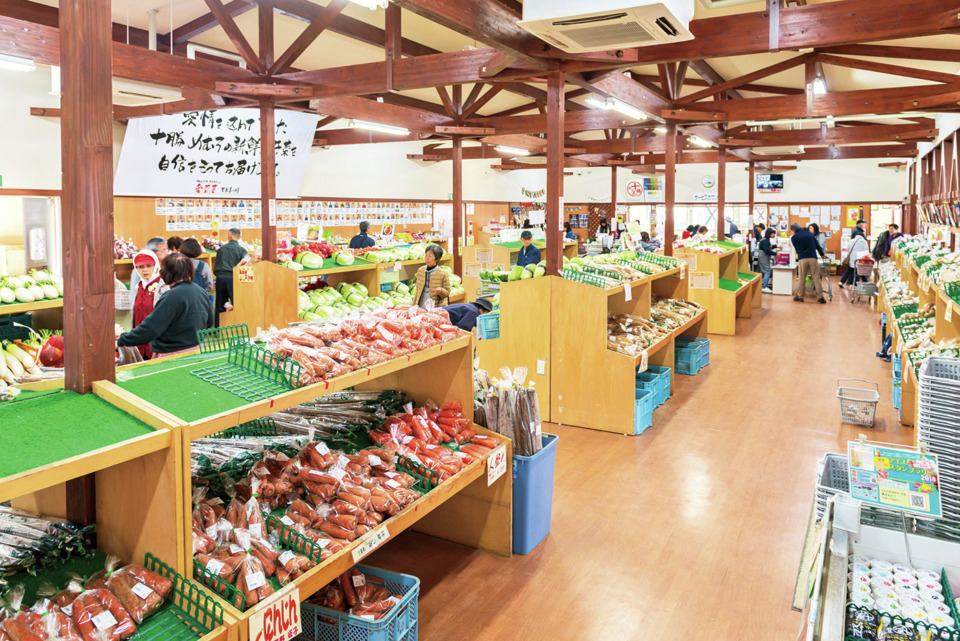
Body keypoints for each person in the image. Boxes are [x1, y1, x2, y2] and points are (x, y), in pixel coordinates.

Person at [117, 253, 215, 359]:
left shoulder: (171, 296)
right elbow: (209, 321)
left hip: (173, 354)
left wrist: (122, 340)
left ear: (166, 273)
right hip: (197, 349)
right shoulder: (200, 290)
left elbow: (151, 329)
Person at [131, 250, 162, 360]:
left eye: (149, 266)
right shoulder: (138, 286)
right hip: (140, 343)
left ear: (156, 266)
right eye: (140, 267)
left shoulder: (162, 286)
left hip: (156, 343)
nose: (145, 270)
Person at [213, 228, 247, 325]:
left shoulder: (221, 249)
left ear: (229, 236)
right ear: (239, 237)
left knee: (220, 304)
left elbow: (217, 265)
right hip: (234, 279)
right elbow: (245, 264)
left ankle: (219, 329)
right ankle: (237, 326)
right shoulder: (242, 250)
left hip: (220, 278)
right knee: (236, 304)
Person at [790, 222, 826, 303]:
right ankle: (820, 297)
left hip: (802, 258)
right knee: (816, 277)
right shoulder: (810, 234)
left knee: (802, 278)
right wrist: (822, 254)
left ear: (794, 230)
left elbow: (797, 249)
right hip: (813, 257)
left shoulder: (794, 237)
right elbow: (817, 245)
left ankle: (800, 296)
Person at [129, 237, 168, 305]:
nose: (167, 253)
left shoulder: (168, 267)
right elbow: (134, 295)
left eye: (167, 249)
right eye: (163, 250)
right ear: (154, 253)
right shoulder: (140, 270)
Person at [413, 244, 450, 309]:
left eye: (430, 256)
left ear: (437, 259)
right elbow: (417, 292)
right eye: (426, 255)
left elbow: (447, 292)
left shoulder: (443, 273)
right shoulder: (420, 271)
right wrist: (413, 306)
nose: (427, 258)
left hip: (435, 306)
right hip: (421, 304)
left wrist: (441, 291)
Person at [758, 228, 777, 293]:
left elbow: (769, 247)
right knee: (767, 271)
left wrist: (776, 246)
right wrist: (775, 254)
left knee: (763, 271)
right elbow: (767, 250)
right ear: (769, 233)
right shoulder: (765, 240)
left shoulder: (765, 240)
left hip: (762, 257)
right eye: (772, 233)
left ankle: (760, 285)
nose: (773, 235)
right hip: (763, 257)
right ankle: (764, 287)